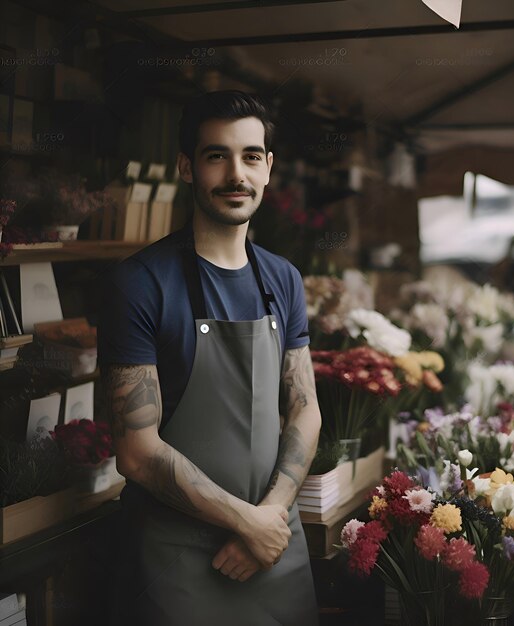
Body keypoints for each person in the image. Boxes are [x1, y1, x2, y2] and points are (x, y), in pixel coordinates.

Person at [97, 91, 321, 626]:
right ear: (187, 168)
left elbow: (304, 408)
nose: (235, 174)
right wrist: (246, 522)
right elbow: (136, 451)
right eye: (216, 155)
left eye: (250, 156)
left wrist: (268, 518)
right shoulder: (141, 283)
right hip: (178, 557)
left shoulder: (282, 280)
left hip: (274, 546)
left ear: (268, 168)